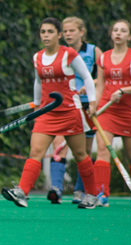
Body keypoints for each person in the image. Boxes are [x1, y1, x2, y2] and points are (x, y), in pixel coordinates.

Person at [2, 17, 100, 209]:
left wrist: (93, 102)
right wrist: (37, 105)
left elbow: (87, 77)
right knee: (35, 152)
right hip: (46, 113)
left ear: (59, 35)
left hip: (70, 112)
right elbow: (38, 82)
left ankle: (92, 194)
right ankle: (22, 192)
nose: (46, 35)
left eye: (50, 32)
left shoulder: (69, 54)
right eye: (43, 32)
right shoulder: (37, 57)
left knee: (80, 154)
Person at [48, 17, 102, 204]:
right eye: (66, 31)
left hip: (87, 106)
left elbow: (105, 76)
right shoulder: (60, 53)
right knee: (58, 145)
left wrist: (92, 85)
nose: (69, 34)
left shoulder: (94, 51)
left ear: (82, 32)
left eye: (72, 30)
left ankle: (80, 191)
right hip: (66, 105)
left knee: (83, 150)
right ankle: (56, 189)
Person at [94, 19, 131, 210]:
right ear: (111, 34)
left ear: (129, 36)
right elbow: (101, 85)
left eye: (123, 31)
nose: (118, 33)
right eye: (115, 30)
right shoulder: (103, 57)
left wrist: (123, 90)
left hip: (128, 111)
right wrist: (94, 106)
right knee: (103, 150)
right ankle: (102, 194)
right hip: (107, 109)